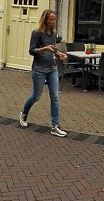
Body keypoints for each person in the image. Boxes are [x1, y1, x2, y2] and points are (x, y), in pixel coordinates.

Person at [19, 9, 69, 137]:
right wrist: (44, 49)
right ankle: (24, 113)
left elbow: (53, 50)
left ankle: (55, 126)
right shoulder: (37, 33)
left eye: (55, 19)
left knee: (55, 97)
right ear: (45, 20)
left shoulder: (53, 33)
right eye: (51, 19)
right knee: (36, 96)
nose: (54, 22)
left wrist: (60, 54)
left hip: (52, 68)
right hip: (39, 70)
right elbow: (31, 51)